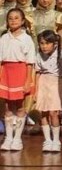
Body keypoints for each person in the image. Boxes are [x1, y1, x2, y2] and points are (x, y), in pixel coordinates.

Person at [0, 8, 35, 151]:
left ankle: (17, 139)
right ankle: (8, 137)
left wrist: (27, 80)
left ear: (22, 21)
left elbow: (30, 62)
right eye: (10, 18)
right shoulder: (4, 38)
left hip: (21, 72)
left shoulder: (27, 39)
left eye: (16, 18)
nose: (13, 20)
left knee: (20, 106)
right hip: (6, 73)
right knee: (8, 106)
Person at [34, 30, 62, 152]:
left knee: (54, 112)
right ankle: (47, 140)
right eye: (42, 43)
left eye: (47, 43)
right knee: (43, 112)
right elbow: (37, 73)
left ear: (54, 44)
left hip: (56, 82)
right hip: (43, 82)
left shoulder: (61, 54)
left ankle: (56, 140)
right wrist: (36, 90)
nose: (44, 46)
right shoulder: (39, 55)